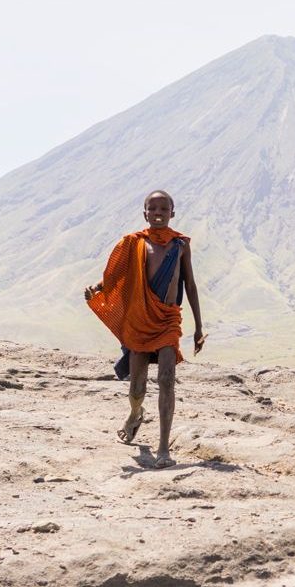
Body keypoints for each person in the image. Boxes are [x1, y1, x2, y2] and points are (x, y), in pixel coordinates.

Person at [84, 190, 204, 468]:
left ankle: (164, 449)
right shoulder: (134, 243)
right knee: (137, 388)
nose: (158, 212)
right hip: (139, 320)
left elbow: (191, 285)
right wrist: (97, 290)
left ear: (173, 212)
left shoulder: (180, 245)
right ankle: (136, 413)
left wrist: (198, 326)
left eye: (164, 208)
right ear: (145, 213)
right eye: (153, 208)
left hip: (167, 320)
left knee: (166, 380)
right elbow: (115, 276)